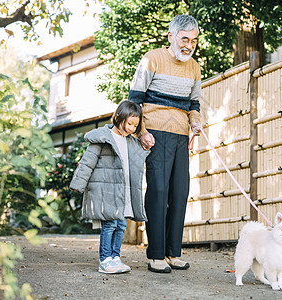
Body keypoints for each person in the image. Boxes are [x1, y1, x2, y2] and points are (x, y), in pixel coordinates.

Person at [128, 14, 202, 273]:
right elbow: (135, 100)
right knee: (158, 192)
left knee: (180, 193)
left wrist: (196, 121)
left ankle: (173, 253)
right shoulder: (152, 59)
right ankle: (156, 254)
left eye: (193, 41)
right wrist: (141, 132)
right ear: (170, 36)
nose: (189, 45)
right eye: (184, 39)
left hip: (182, 136)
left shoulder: (194, 67)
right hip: (155, 135)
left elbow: (194, 104)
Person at [70, 101, 150, 274]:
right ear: (117, 117)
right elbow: (87, 163)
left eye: (135, 125)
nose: (131, 128)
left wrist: (147, 142)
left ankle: (115, 258)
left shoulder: (130, 141)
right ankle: (105, 259)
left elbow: (138, 158)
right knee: (110, 224)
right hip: (106, 190)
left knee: (121, 224)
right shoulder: (102, 138)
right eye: (129, 123)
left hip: (123, 190)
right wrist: (78, 183)